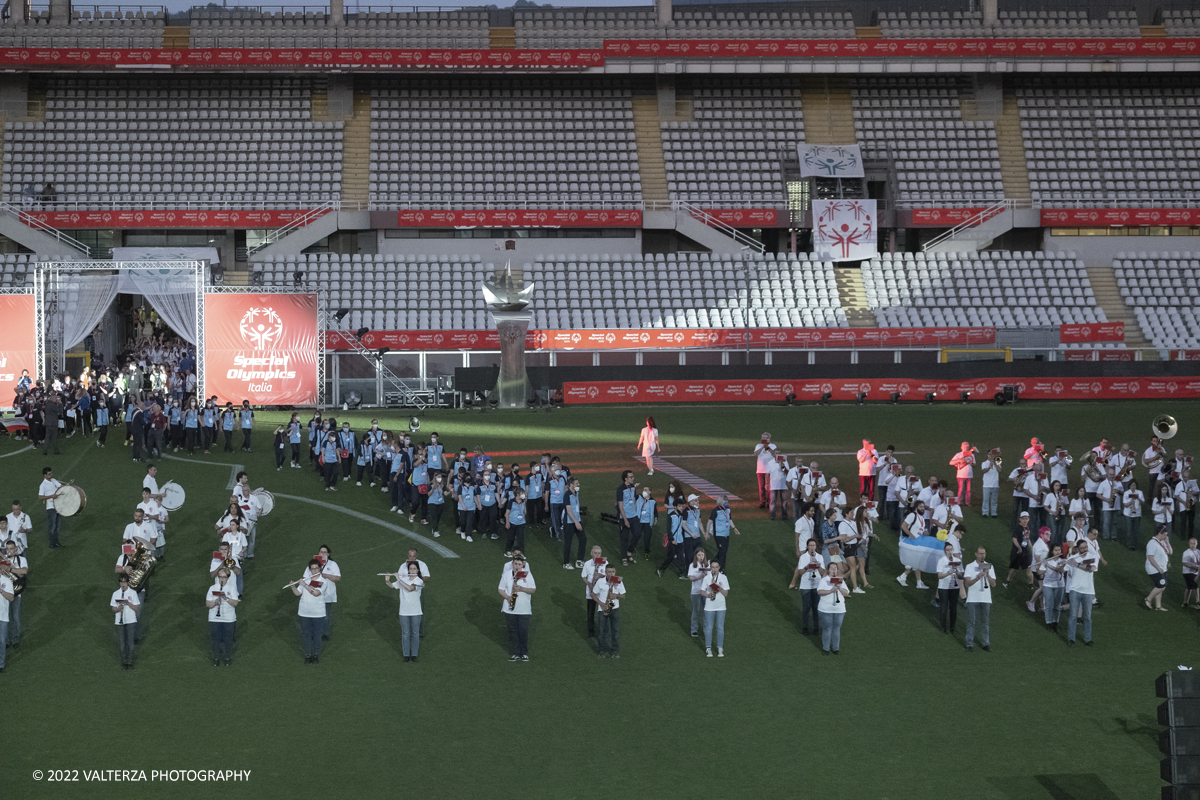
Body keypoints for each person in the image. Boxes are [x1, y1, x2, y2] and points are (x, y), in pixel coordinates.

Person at [385, 561, 424, 662]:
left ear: (418, 570)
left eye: (414, 569)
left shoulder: (419, 581)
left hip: (415, 611)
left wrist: (398, 579)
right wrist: (387, 581)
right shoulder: (404, 579)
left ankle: (414, 654)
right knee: (405, 633)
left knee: (415, 633)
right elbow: (392, 586)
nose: (412, 570)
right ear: (408, 570)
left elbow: (410, 588)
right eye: (410, 569)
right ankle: (406, 655)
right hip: (404, 611)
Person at [499, 555, 535, 661]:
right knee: (513, 631)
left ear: (523, 565)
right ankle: (515, 653)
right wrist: (508, 597)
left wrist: (522, 589)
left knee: (523, 630)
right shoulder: (506, 575)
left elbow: (533, 589)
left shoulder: (527, 575)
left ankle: (523, 653)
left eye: (519, 564)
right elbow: (500, 589)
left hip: (524, 609)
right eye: (515, 564)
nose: (517, 566)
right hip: (510, 608)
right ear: (512, 564)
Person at [292, 559, 326, 663]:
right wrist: (293, 586)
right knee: (306, 634)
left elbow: (316, 593)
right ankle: (307, 655)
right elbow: (298, 593)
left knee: (317, 635)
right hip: (304, 613)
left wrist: (305, 585)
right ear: (309, 570)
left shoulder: (322, 581)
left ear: (319, 568)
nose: (314, 570)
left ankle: (315, 655)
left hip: (318, 614)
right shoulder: (306, 580)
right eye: (312, 569)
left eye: (316, 568)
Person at [788, 537, 824, 635]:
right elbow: (801, 572)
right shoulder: (803, 558)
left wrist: (818, 565)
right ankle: (805, 627)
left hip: (816, 584)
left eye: (814, 545)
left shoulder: (820, 557)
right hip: (806, 585)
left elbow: (822, 572)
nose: (812, 547)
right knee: (806, 607)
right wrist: (808, 566)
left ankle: (816, 628)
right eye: (810, 545)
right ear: (807, 547)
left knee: (816, 607)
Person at [962, 547, 996, 651]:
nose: (982, 556)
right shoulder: (969, 566)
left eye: (984, 554)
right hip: (973, 598)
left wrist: (988, 575)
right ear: (976, 554)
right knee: (971, 622)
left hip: (985, 598)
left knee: (985, 622)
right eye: (980, 553)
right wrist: (978, 577)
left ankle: (985, 643)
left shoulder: (989, 566)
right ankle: (969, 644)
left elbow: (994, 584)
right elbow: (967, 584)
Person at [206, 567, 239, 666]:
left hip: (229, 618)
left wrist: (226, 598)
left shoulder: (232, 589)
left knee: (228, 639)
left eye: (224, 577)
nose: (222, 579)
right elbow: (208, 604)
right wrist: (215, 603)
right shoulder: (212, 588)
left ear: (227, 578)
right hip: (214, 618)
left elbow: (235, 603)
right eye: (220, 577)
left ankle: (227, 657)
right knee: (215, 638)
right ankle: (216, 657)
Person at [815, 559, 849, 654]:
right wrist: (830, 591)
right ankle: (826, 648)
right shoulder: (824, 580)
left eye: (835, 568)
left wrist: (840, 588)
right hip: (826, 609)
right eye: (832, 568)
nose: (834, 570)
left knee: (836, 628)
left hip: (839, 609)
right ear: (828, 570)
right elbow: (819, 592)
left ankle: (836, 648)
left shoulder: (840, 581)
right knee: (827, 628)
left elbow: (846, 593)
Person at [1066, 540, 1096, 646]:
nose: (1085, 549)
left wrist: (1077, 565)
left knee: (1087, 616)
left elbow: (1092, 568)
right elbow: (1064, 571)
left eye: (1086, 547)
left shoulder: (1093, 556)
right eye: (1082, 548)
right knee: (1073, 616)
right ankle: (1071, 639)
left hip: (1088, 591)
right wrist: (1061, 562)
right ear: (1077, 548)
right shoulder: (1072, 558)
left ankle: (1088, 639)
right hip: (1074, 589)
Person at [592, 564, 625, 658]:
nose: (611, 574)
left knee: (615, 631)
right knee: (602, 631)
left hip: (614, 608)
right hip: (602, 608)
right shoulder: (600, 582)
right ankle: (602, 650)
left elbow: (623, 595)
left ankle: (615, 651)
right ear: (606, 572)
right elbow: (593, 594)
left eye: (613, 572)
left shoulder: (618, 581)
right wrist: (600, 603)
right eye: (609, 572)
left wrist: (616, 596)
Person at [896, 500, 929, 589]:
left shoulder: (921, 517)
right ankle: (908, 579)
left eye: (923, 507)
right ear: (916, 508)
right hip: (910, 542)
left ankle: (912, 580)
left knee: (916, 563)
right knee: (915, 563)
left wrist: (925, 531)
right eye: (920, 507)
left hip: (917, 543)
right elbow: (903, 526)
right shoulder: (912, 515)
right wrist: (911, 535)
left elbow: (921, 528)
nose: (923, 508)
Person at [310, 545, 340, 641]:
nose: (323, 553)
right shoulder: (314, 565)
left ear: (328, 554)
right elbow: (307, 577)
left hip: (328, 594)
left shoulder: (332, 564)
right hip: (315, 593)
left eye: (324, 552)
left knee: (326, 616)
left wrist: (327, 575)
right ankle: (314, 632)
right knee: (314, 614)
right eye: (321, 552)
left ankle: (324, 634)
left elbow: (337, 578)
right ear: (318, 553)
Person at [701, 560, 729, 657]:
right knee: (709, 628)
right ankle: (708, 648)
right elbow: (702, 591)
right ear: (711, 568)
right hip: (709, 606)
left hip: (721, 606)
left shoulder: (723, 578)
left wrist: (717, 587)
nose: (714, 569)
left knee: (720, 628)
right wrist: (708, 595)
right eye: (713, 567)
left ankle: (720, 648)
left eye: (716, 567)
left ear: (719, 567)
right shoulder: (707, 578)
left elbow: (725, 594)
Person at [111, 574, 140, 669]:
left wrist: (128, 603)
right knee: (122, 644)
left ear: (127, 582)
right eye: (121, 582)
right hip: (120, 621)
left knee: (130, 643)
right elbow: (113, 608)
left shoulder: (133, 593)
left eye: (124, 582)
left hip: (131, 620)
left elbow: (136, 607)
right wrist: (118, 609)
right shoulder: (115, 594)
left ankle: (130, 662)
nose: (122, 584)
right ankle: (124, 662)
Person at [706, 495, 741, 571]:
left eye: (727, 500)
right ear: (720, 501)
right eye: (725, 501)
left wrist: (734, 528)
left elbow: (729, 520)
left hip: (726, 534)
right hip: (718, 534)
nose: (727, 502)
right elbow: (709, 522)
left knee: (723, 551)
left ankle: (712, 562)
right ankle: (721, 569)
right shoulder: (715, 511)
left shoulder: (728, 510)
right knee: (723, 552)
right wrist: (707, 532)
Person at [581, 545, 608, 638]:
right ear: (591, 553)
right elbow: (583, 576)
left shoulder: (605, 563)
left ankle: (604, 629)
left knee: (604, 610)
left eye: (599, 553)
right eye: (595, 553)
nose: (597, 555)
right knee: (590, 612)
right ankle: (591, 631)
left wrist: (603, 576)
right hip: (591, 592)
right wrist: (588, 583)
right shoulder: (587, 564)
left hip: (602, 593)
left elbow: (609, 575)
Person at [935, 542, 962, 635]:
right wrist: (949, 572)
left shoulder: (957, 560)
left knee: (953, 608)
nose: (950, 552)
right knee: (944, 607)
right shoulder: (941, 561)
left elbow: (961, 576)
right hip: (944, 587)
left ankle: (952, 627)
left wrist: (957, 571)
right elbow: (939, 576)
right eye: (948, 550)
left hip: (954, 587)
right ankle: (943, 627)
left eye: (951, 549)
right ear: (944, 551)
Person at [1145, 525, 1172, 612]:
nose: (1166, 537)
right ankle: (1148, 599)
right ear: (1160, 533)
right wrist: (1158, 568)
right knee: (1162, 586)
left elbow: (1170, 552)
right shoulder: (1152, 543)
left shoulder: (1162, 542)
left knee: (1159, 585)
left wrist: (1167, 542)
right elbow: (1150, 558)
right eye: (1164, 535)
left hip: (1162, 568)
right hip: (1154, 569)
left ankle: (1158, 606)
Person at [658, 498, 687, 578]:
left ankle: (681, 573)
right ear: (675, 507)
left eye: (682, 506)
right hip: (673, 541)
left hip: (680, 540)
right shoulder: (670, 516)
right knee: (670, 556)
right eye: (679, 506)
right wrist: (672, 540)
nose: (681, 508)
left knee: (681, 557)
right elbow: (669, 529)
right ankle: (661, 569)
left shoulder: (681, 515)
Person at [562, 477, 586, 570]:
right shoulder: (567, 495)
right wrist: (576, 522)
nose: (578, 485)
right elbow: (568, 510)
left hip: (577, 520)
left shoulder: (576, 494)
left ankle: (579, 561)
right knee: (568, 542)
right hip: (569, 522)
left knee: (583, 539)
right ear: (571, 485)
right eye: (576, 483)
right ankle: (566, 563)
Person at [1006, 512, 1034, 589]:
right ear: (1020, 519)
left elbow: (1028, 539)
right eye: (1023, 519)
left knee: (1029, 568)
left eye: (1026, 518)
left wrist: (1031, 549)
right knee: (1014, 568)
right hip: (1018, 552)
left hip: (1026, 552)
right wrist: (1019, 548)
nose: (1025, 520)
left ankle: (1030, 584)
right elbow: (1014, 539)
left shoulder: (1027, 527)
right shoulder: (1018, 528)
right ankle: (1008, 581)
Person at [615, 471, 639, 564]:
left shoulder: (632, 487)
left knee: (637, 534)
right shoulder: (620, 489)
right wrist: (625, 519)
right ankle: (624, 557)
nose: (633, 478)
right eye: (631, 477)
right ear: (626, 478)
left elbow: (633, 499)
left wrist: (635, 511)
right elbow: (620, 505)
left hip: (633, 515)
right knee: (624, 538)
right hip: (624, 516)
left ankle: (629, 551)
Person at [37, 466, 63, 548]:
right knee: (52, 526)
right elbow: (40, 497)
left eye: (51, 473)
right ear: (45, 475)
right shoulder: (43, 485)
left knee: (57, 526)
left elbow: (60, 486)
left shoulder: (54, 480)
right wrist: (52, 496)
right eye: (49, 474)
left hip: (58, 506)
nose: (51, 475)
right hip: (51, 507)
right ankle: (52, 543)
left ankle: (56, 542)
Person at [686, 548, 709, 638]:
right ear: (696, 556)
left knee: (706, 611)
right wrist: (700, 577)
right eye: (699, 555)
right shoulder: (692, 566)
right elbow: (691, 578)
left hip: (705, 591)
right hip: (695, 591)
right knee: (696, 611)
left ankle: (706, 629)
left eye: (702, 555)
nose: (701, 557)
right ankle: (694, 630)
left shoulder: (707, 565)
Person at [753, 432, 777, 509]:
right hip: (760, 469)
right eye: (763, 437)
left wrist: (767, 447)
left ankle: (770, 502)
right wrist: (763, 446)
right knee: (761, 488)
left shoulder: (773, 446)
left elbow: (774, 454)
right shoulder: (758, 446)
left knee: (770, 487)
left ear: (769, 438)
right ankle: (762, 502)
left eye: (766, 438)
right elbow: (756, 454)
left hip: (770, 470)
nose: (764, 439)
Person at [950, 442, 977, 506]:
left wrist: (972, 464)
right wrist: (959, 460)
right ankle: (959, 502)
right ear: (961, 448)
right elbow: (951, 462)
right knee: (961, 489)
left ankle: (968, 502)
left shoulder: (972, 455)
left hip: (969, 474)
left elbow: (975, 464)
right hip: (961, 475)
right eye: (964, 447)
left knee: (968, 490)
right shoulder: (958, 455)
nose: (966, 448)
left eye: (967, 447)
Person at [634, 486, 656, 561]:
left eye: (646, 490)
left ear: (650, 492)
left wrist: (656, 518)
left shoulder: (652, 501)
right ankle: (633, 548)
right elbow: (632, 495)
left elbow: (655, 510)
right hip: (639, 521)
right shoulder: (639, 498)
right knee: (636, 535)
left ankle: (647, 552)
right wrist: (634, 487)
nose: (644, 491)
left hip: (647, 522)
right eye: (643, 490)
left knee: (647, 538)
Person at [1122, 478, 1145, 551]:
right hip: (1128, 514)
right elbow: (1125, 505)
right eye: (1132, 485)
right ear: (1129, 486)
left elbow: (1143, 503)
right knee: (1129, 530)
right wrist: (1130, 503)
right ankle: (1129, 544)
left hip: (1137, 514)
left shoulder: (1140, 492)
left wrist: (1138, 498)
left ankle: (1134, 544)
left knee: (1135, 530)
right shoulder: (1126, 493)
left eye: (1134, 485)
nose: (1133, 487)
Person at [504, 487, 528, 557]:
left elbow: (524, 512)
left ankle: (521, 553)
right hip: (512, 523)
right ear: (517, 494)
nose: (523, 494)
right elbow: (507, 513)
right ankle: (508, 550)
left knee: (520, 539)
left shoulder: (523, 502)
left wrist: (524, 520)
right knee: (510, 538)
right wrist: (507, 522)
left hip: (521, 523)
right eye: (522, 493)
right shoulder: (511, 501)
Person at [768, 454, 790, 522]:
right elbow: (767, 473)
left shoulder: (785, 462)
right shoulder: (770, 462)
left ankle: (784, 515)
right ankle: (773, 515)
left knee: (784, 501)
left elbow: (787, 472)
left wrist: (783, 466)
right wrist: (766, 483)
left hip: (783, 485)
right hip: (773, 485)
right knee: (772, 501)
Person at [1182, 538, 1200, 609]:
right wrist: (1195, 567)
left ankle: (1185, 602)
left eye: (1194, 543)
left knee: (1189, 588)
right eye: (1191, 543)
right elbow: (1185, 563)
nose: (1192, 545)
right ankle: (1198, 602)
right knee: (1195, 587)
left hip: (1195, 572)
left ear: (1197, 544)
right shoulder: (1186, 553)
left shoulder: (1198, 552)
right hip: (1188, 572)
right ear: (1189, 544)